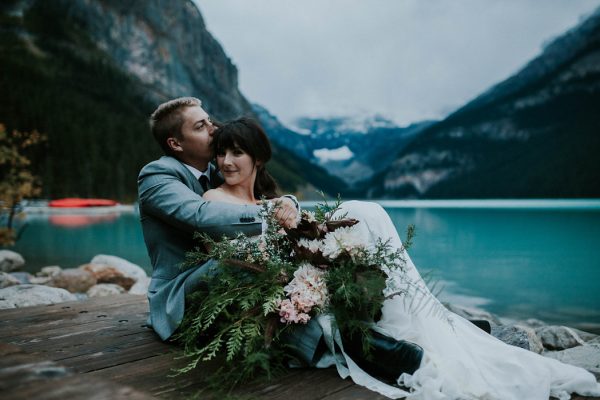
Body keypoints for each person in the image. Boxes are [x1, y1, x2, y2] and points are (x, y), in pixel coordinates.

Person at [196, 117, 600, 399]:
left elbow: (288, 233)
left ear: (257, 158)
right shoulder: (217, 199)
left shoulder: (270, 199)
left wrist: (302, 235)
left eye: (236, 153)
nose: (226, 162)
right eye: (221, 154)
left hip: (297, 277)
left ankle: (428, 327)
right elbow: (243, 245)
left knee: (366, 218)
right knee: (338, 291)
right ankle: (412, 347)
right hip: (272, 289)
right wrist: (288, 228)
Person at [137, 97, 299, 341]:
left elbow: (260, 192)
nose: (214, 129)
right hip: (180, 293)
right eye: (200, 126)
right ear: (175, 143)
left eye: (209, 121)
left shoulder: (219, 169)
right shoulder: (156, 176)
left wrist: (289, 203)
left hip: (221, 279)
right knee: (247, 255)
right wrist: (271, 215)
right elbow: (201, 215)